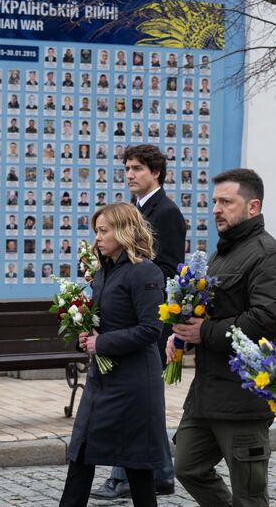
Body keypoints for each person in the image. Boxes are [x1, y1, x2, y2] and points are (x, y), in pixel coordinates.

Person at [166, 168, 276, 507]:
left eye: (226, 202)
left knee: (249, 495)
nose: (216, 209)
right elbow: (211, 308)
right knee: (187, 467)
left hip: (243, 397)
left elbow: (268, 317)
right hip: (207, 394)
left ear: (253, 207)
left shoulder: (267, 255)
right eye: (214, 202)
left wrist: (204, 332)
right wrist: (183, 334)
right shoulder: (222, 253)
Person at [91, 145, 186, 500]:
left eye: (137, 169)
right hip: (124, 317)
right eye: (127, 168)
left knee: (135, 401)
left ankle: (123, 476)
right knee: (144, 404)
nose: (130, 174)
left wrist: (127, 273)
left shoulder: (167, 213)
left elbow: (168, 269)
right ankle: (159, 471)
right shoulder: (132, 211)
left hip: (148, 319)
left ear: (156, 173)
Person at [60, 202, 168, 507]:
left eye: (104, 231)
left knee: (137, 465)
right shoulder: (102, 272)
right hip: (102, 380)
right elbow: (100, 321)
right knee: (80, 452)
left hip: (134, 384)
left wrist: (102, 343)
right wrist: (83, 336)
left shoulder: (145, 271)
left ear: (123, 232)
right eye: (96, 231)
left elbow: (151, 330)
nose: (98, 238)